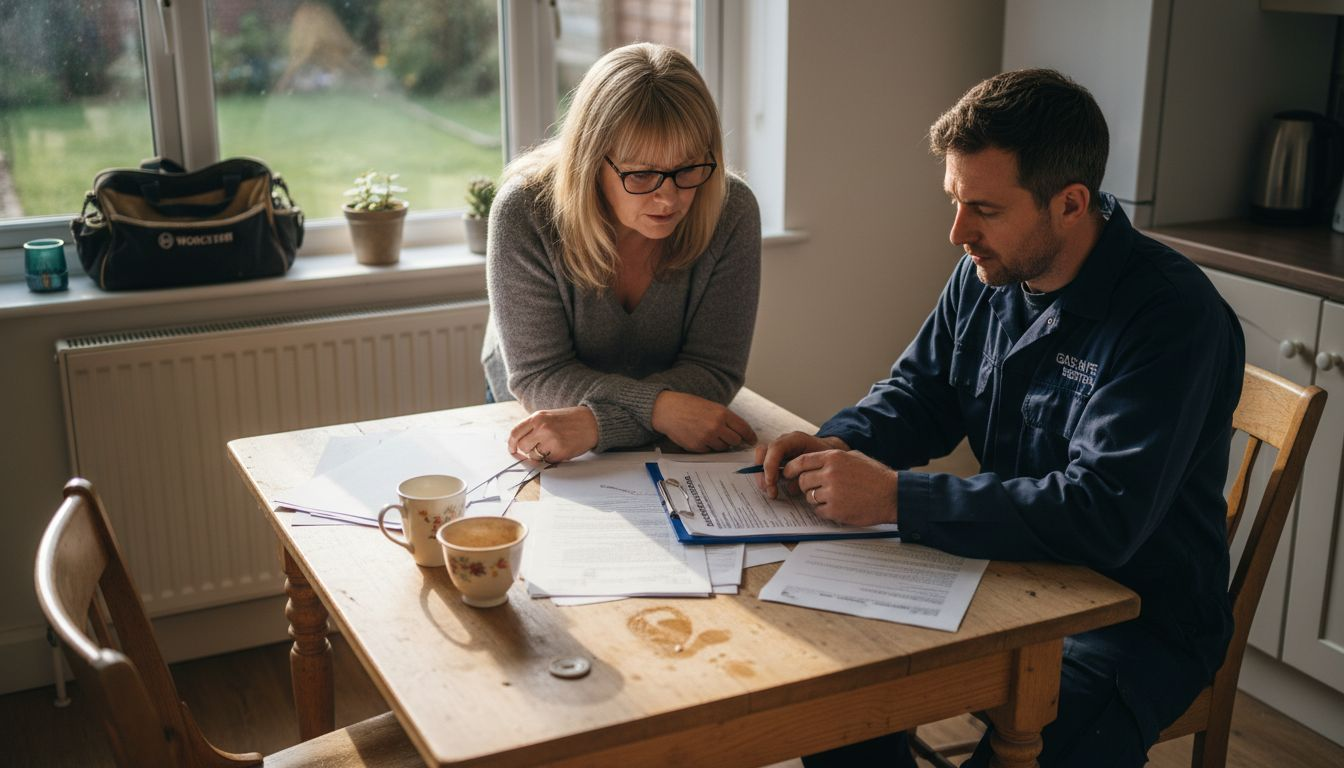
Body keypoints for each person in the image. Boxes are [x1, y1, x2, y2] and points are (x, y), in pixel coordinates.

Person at [756, 69, 1245, 767]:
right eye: (955, 201)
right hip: (1003, 573)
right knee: (834, 701)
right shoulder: (991, 271)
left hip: (1137, 621)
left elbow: (1102, 512)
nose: (958, 232)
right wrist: (835, 444)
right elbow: (922, 394)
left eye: (983, 208)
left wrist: (897, 497)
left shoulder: (1172, 319)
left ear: (1071, 204)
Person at [481, 43, 762, 465]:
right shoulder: (524, 212)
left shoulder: (731, 210)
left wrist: (597, 425)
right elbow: (540, 376)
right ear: (591, 162)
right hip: (539, 420)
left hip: (651, 435)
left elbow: (715, 370)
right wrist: (662, 409)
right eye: (642, 174)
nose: (669, 198)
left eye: (687, 169)